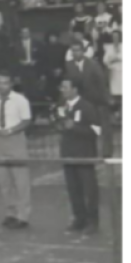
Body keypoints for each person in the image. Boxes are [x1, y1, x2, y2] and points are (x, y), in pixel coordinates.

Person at [0, 70, 33, 229]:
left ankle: (23, 215)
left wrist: (11, 130)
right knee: (4, 180)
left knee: (21, 180)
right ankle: (10, 213)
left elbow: (26, 121)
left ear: (11, 84)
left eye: (5, 83)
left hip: (15, 140)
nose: (2, 86)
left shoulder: (20, 100)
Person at [56, 78, 102, 234]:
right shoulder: (62, 106)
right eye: (62, 87)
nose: (62, 90)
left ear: (75, 89)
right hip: (68, 154)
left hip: (84, 155)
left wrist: (75, 127)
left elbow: (97, 130)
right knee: (73, 189)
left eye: (65, 87)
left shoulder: (87, 107)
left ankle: (92, 221)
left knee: (89, 190)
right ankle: (79, 218)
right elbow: (60, 126)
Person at [104, 29, 122, 119]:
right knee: (114, 94)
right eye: (114, 37)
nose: (115, 39)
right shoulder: (109, 47)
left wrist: (115, 59)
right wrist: (115, 59)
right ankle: (116, 114)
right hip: (113, 74)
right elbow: (105, 60)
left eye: (117, 37)